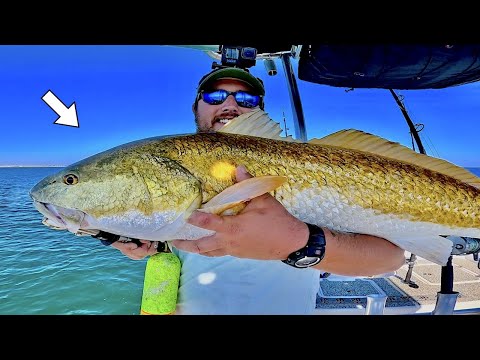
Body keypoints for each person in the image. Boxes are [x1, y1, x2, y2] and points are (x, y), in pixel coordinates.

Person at [111, 66, 406, 315]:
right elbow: (168, 248)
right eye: (214, 96)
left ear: (260, 111)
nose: (229, 105)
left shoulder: (312, 167)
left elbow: (389, 259)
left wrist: (299, 242)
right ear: (196, 108)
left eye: (245, 98)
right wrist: (138, 241)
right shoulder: (167, 173)